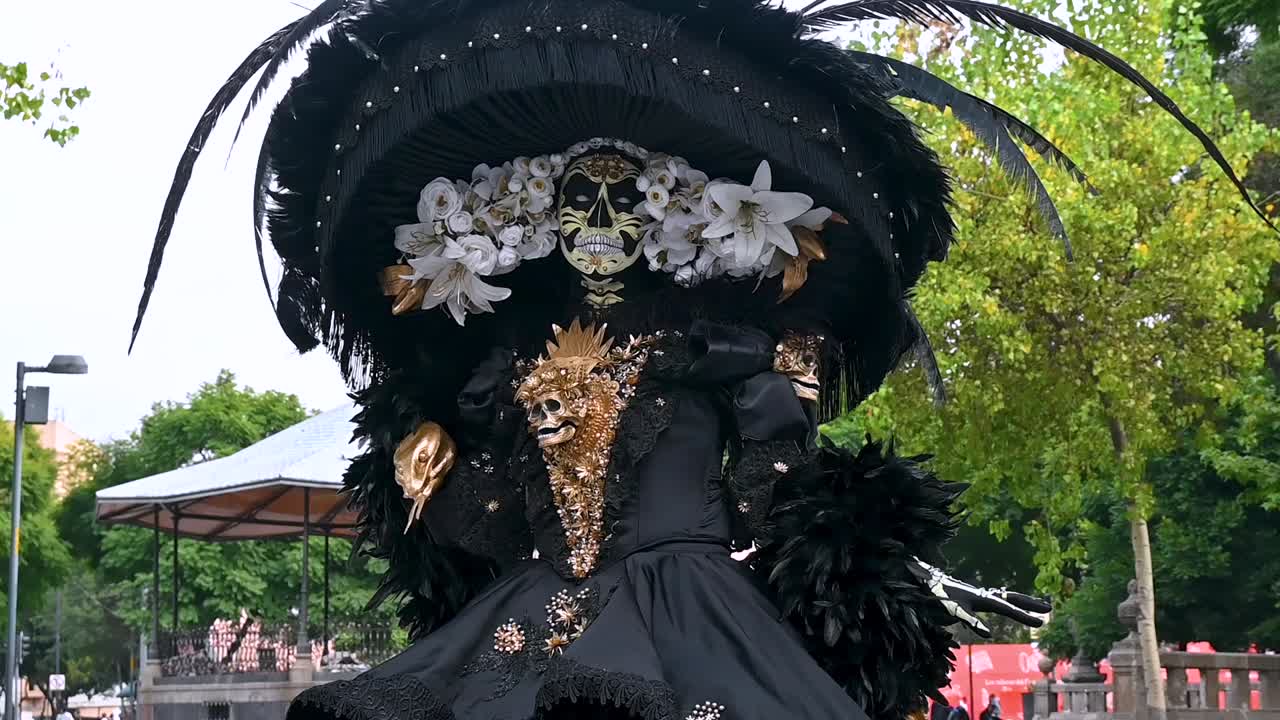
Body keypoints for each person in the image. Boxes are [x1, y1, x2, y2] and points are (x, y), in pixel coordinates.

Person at [133, 0, 1270, 718]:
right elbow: (488, 527)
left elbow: (769, 504)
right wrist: (433, 473)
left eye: (621, 202)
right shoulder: (502, 362)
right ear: (533, 219)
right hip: (525, 621)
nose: (596, 223)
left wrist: (771, 401)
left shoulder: (727, 351)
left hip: (694, 616)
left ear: (663, 218)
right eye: (573, 202)